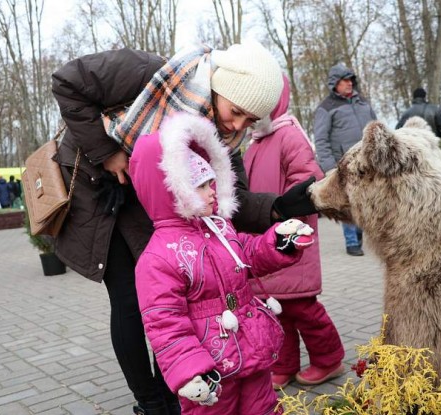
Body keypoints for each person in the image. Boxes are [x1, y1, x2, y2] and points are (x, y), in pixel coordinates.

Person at [51, 42, 316, 415]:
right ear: (219, 87)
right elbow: (67, 82)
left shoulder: (218, 134)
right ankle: (150, 403)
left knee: (179, 301)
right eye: (237, 111)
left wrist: (280, 207)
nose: (238, 126)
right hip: (102, 191)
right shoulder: (148, 72)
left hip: (159, 203)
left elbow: (231, 198)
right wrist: (107, 153)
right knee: (130, 300)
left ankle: (178, 391)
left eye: (250, 121)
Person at [131, 112, 312, 414]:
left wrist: (277, 240)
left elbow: (247, 253)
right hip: (210, 371)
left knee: (264, 407)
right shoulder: (158, 257)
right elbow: (165, 324)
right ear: (173, 190)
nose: (213, 191)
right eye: (201, 185)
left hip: (250, 349)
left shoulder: (220, 229)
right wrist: (190, 371)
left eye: (213, 182)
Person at [243, 76, 345, 389]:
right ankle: (284, 365)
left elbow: (306, 180)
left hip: (290, 236)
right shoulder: (256, 142)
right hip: (265, 240)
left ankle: (329, 360)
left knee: (303, 308)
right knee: (276, 309)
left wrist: (282, 213)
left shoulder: (289, 135)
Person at [313, 63, 376, 256]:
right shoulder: (326, 108)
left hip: (368, 163)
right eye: (344, 80)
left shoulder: (363, 103)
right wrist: (329, 167)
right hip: (343, 165)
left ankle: (362, 238)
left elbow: (376, 127)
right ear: (335, 84)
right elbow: (321, 139)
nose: (349, 84)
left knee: (367, 202)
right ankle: (352, 243)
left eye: (351, 80)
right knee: (347, 203)